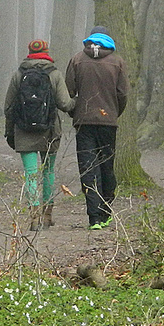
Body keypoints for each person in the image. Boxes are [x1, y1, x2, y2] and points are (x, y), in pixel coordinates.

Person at [3, 39, 74, 230]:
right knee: (48, 172)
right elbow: (65, 104)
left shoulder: (18, 74)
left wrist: (10, 131)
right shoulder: (55, 74)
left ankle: (33, 218)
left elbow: (8, 107)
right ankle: (47, 216)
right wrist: (78, 103)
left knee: (31, 175)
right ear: (47, 52)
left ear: (29, 53)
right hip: (49, 131)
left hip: (24, 131)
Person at [65, 28, 128, 230]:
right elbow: (123, 94)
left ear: (89, 40)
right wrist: (113, 113)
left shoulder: (76, 60)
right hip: (108, 122)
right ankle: (106, 212)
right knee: (106, 166)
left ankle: (94, 218)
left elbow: (68, 92)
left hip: (84, 122)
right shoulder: (117, 62)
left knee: (88, 168)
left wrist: (75, 111)